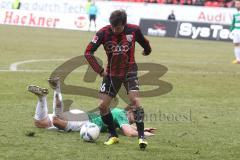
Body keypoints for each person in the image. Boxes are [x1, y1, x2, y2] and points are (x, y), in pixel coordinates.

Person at [84, 10, 152, 149]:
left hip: (129, 71)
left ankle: (141, 137)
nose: (115, 30)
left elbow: (145, 42)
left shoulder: (134, 30)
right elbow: (88, 52)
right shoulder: (103, 33)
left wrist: (147, 50)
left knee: (135, 101)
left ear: (124, 24)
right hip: (111, 74)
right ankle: (113, 135)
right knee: (103, 106)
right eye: (113, 27)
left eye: (119, 28)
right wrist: (100, 70)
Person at [27, 77, 156, 137]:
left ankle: (42, 98)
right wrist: (143, 133)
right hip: (83, 121)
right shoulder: (122, 116)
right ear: (131, 112)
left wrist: (141, 128)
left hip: (81, 116)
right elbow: (128, 132)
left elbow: (125, 128)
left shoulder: (120, 114)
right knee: (56, 120)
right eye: (136, 117)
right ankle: (57, 88)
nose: (136, 120)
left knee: (39, 123)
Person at [230, 0, 240, 64]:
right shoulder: (235, 13)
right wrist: (231, 30)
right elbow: (233, 22)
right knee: (236, 44)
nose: (236, 5)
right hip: (236, 30)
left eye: (238, 4)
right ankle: (238, 59)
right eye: (236, 4)